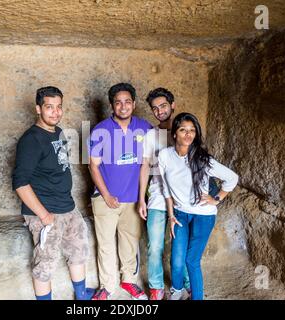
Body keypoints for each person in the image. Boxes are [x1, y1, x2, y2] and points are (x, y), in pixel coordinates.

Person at [12, 86, 94, 300]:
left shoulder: (57, 132)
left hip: (67, 207)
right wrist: (44, 216)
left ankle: (82, 295)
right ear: (38, 109)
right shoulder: (31, 140)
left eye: (59, 107)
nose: (55, 112)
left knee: (78, 252)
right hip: (46, 212)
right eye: (49, 107)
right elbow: (20, 183)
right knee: (45, 263)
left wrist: (70, 206)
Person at [158, 112, 239, 300]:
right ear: (175, 133)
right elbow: (166, 189)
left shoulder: (203, 160)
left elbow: (232, 178)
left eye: (192, 130)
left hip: (203, 216)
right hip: (179, 214)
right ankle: (177, 291)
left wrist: (216, 198)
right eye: (183, 130)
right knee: (177, 260)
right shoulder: (164, 156)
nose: (188, 134)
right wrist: (171, 216)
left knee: (191, 260)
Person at [88, 83, 153, 300]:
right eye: (118, 102)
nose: (123, 106)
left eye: (127, 102)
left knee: (130, 241)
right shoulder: (101, 130)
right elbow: (93, 165)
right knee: (105, 243)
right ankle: (107, 286)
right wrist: (106, 195)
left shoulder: (145, 128)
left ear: (134, 104)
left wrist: (142, 198)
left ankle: (129, 281)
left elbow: (146, 165)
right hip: (106, 199)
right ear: (111, 105)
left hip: (132, 198)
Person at [138, 88, 191, 300]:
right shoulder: (151, 136)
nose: (159, 111)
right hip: (158, 197)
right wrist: (142, 198)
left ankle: (187, 284)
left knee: (183, 246)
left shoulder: (187, 131)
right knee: (155, 246)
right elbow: (144, 167)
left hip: (184, 200)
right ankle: (157, 287)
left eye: (163, 106)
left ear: (173, 105)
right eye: (155, 108)